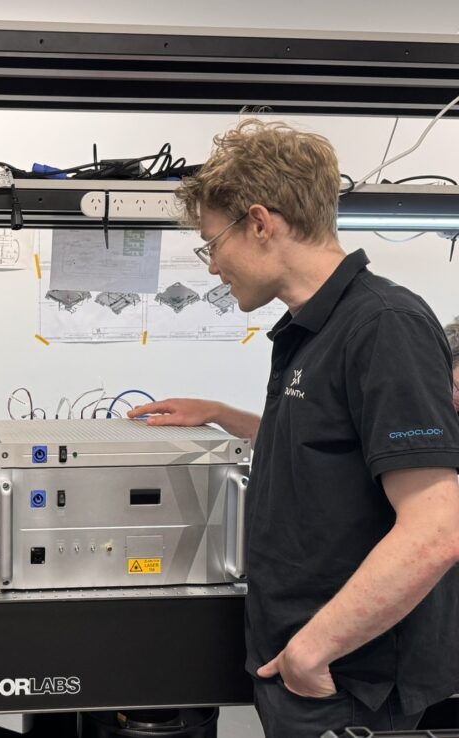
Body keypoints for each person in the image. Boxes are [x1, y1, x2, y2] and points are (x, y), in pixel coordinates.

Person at [128, 119, 459, 737]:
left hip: (349, 678)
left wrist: (315, 650)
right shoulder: (313, 328)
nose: (212, 266)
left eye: (211, 243)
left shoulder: (383, 325)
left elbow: (438, 527)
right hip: (300, 660)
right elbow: (334, 450)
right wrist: (223, 415)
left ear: (260, 222)